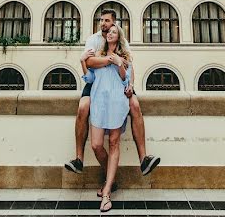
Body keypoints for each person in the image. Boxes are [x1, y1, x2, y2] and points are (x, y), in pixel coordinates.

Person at [64, 9, 160, 179]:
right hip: (95, 82)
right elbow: (90, 62)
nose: (103, 23)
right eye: (101, 20)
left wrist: (130, 84)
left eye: (107, 21)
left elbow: (129, 65)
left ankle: (143, 158)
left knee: (135, 106)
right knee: (83, 107)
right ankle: (79, 158)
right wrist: (111, 59)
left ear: (114, 23)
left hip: (118, 82)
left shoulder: (121, 40)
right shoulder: (93, 40)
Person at [81, 24, 131, 213]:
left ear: (119, 37)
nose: (110, 33)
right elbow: (89, 79)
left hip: (117, 102)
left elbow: (126, 80)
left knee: (114, 144)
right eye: (108, 32)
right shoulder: (98, 56)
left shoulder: (124, 57)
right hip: (99, 102)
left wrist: (118, 62)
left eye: (114, 32)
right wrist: (82, 62)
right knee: (96, 145)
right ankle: (111, 178)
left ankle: (107, 191)